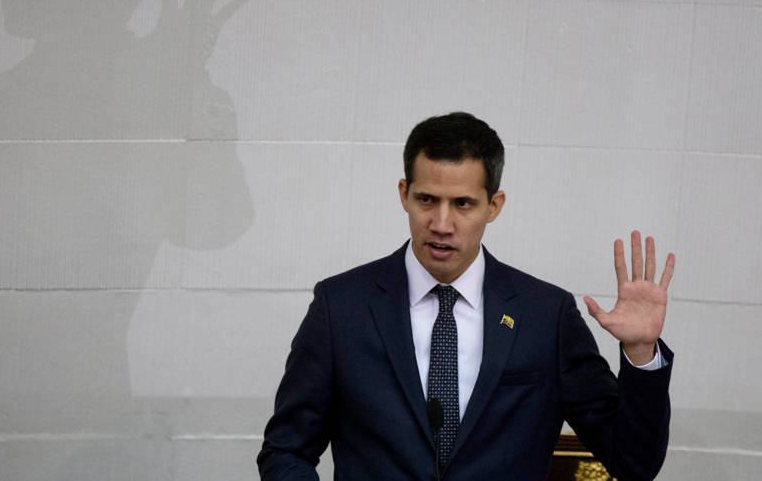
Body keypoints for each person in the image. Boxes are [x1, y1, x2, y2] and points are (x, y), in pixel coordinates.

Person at [257, 112, 675, 481]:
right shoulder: (341, 306)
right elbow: (286, 449)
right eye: (426, 200)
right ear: (403, 193)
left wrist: (641, 354)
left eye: (462, 204)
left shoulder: (545, 316)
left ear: (494, 206)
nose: (442, 223)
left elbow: (632, 463)